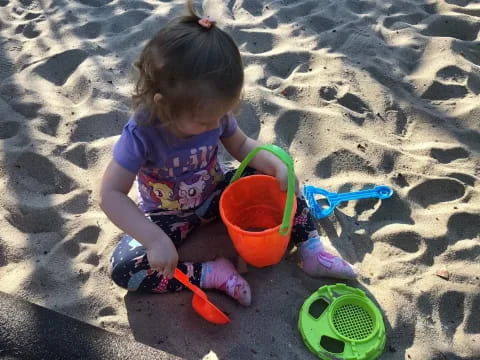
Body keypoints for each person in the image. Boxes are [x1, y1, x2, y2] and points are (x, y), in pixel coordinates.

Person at [99, 1, 356, 307]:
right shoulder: (142, 132)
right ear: (162, 104)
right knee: (124, 267)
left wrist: (275, 165)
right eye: (205, 121)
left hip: (216, 194)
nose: (214, 124)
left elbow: (242, 146)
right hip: (167, 216)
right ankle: (211, 274)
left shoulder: (213, 113)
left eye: (220, 116)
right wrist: (154, 239)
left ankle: (311, 249)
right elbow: (110, 193)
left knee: (278, 172)